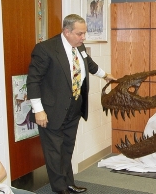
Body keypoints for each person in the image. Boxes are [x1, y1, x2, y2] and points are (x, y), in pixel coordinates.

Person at [26, 14, 116, 194]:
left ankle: (69, 183)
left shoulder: (79, 47)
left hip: (74, 107)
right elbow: (33, 81)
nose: (83, 37)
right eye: (79, 33)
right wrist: (38, 110)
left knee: (67, 148)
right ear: (66, 32)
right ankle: (60, 189)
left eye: (84, 33)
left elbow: (88, 64)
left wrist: (105, 75)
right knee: (54, 152)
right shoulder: (46, 49)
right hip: (51, 111)